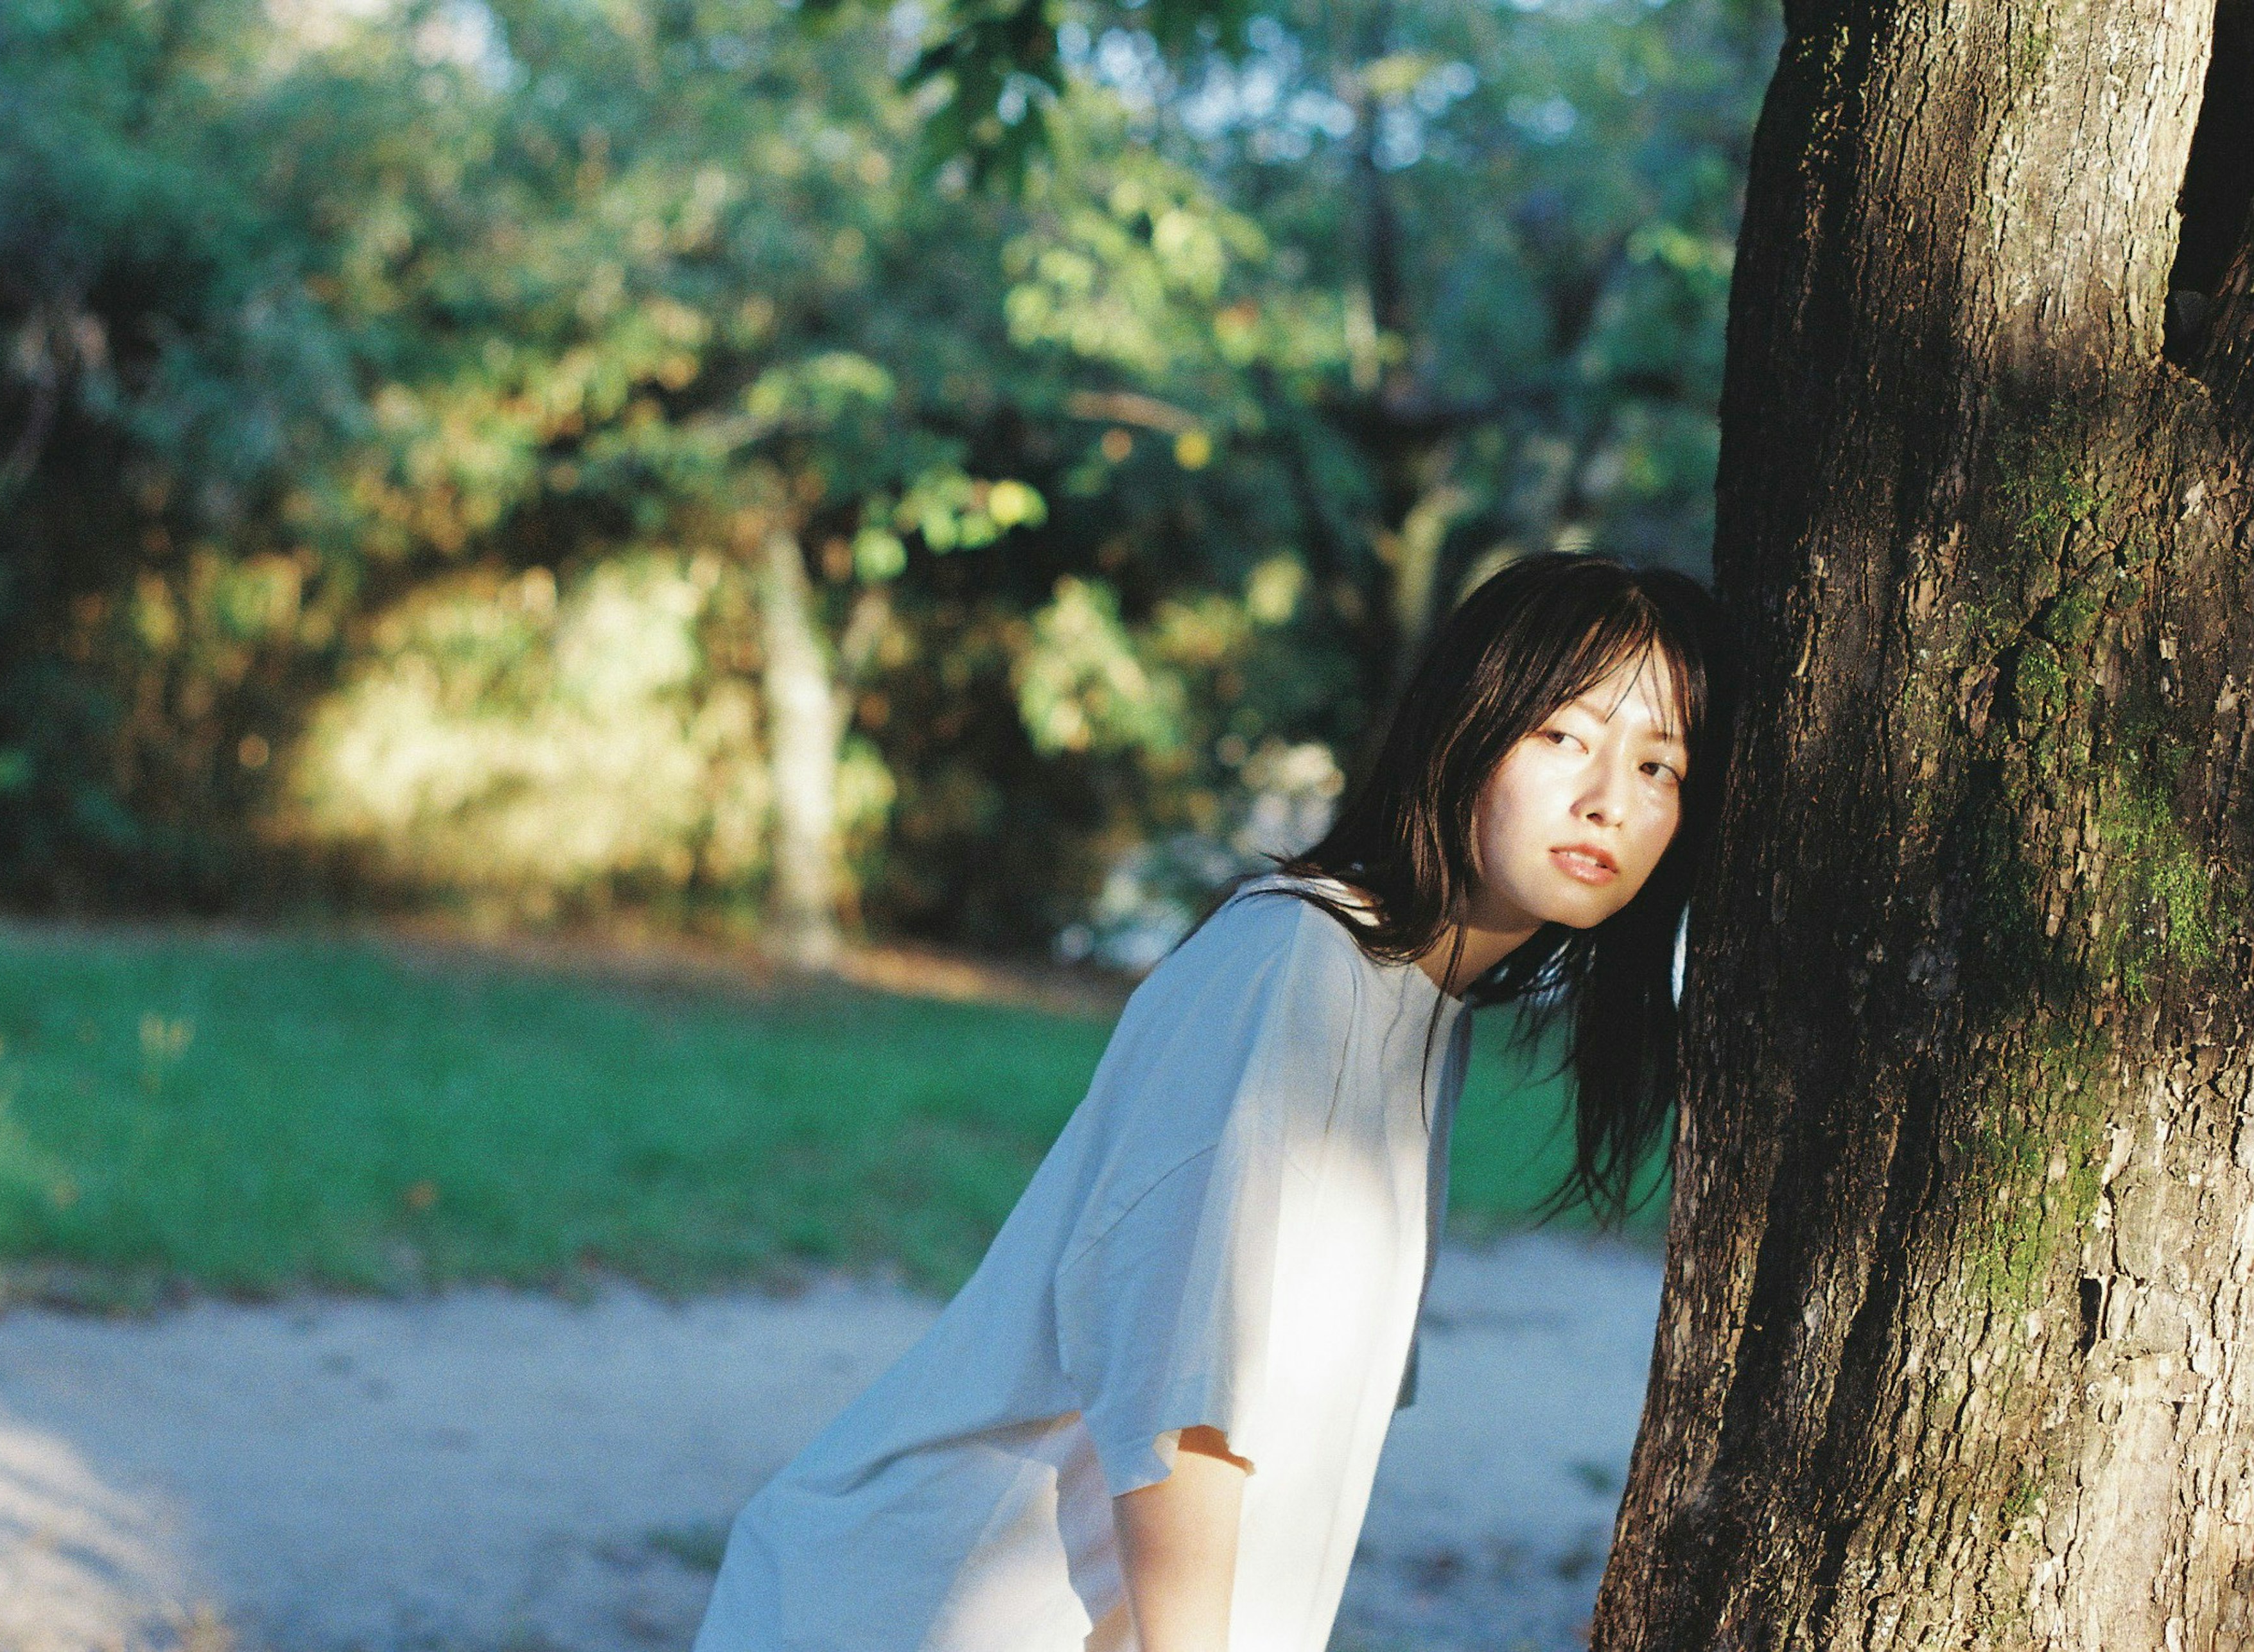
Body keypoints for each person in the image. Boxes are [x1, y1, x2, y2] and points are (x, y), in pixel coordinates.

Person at [692, 552, 1732, 1652]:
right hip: (913, 1613)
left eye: (1659, 765)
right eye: (1565, 735)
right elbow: (1179, 1393)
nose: (1608, 797)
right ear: (1462, 732)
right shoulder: (1295, 961)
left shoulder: (1420, 1011)